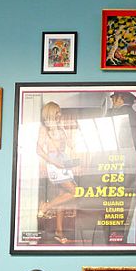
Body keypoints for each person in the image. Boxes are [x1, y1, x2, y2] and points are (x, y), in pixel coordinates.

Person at [36, 101, 77, 244]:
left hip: (63, 162)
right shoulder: (44, 129)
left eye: (60, 112)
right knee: (74, 191)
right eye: (57, 112)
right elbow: (38, 150)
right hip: (55, 164)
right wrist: (54, 163)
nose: (60, 114)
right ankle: (46, 206)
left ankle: (59, 233)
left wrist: (71, 143)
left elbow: (67, 145)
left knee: (62, 199)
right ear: (51, 112)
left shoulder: (60, 127)